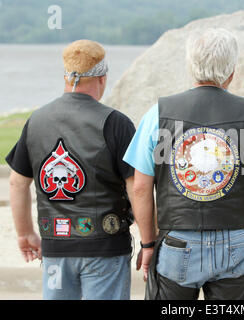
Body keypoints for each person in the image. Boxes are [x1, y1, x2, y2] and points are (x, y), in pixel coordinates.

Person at [123, 28, 244, 300]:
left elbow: (140, 188)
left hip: (177, 242)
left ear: (191, 66)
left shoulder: (158, 115)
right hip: (238, 242)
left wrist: (148, 243)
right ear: (232, 71)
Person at [6, 39, 136, 300]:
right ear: (102, 77)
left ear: (65, 74)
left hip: (56, 247)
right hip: (106, 246)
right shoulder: (116, 123)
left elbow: (17, 183)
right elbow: (138, 188)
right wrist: (150, 241)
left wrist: (25, 233)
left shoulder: (36, 121)